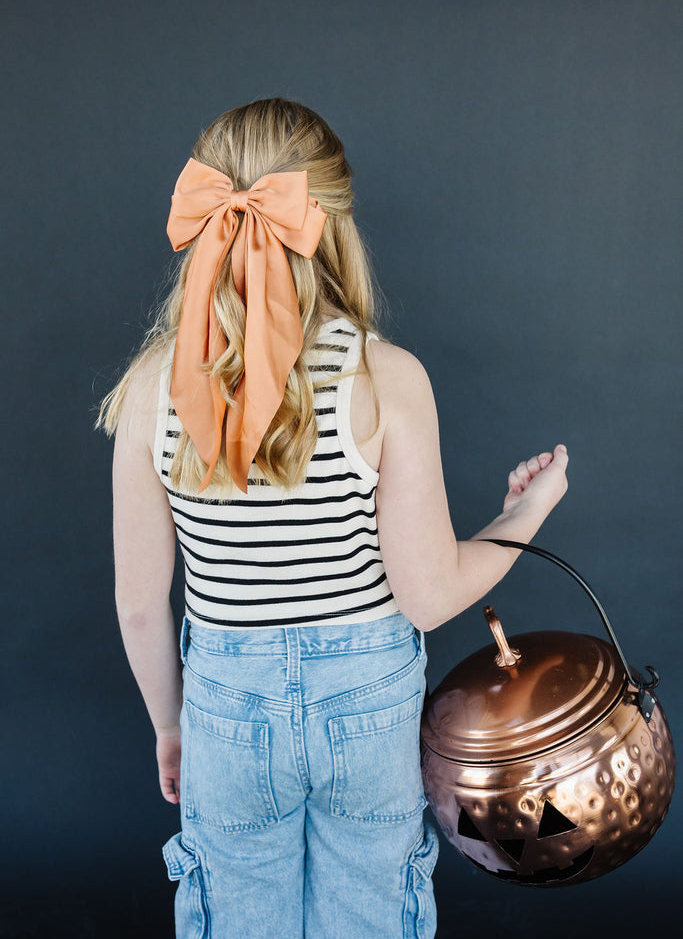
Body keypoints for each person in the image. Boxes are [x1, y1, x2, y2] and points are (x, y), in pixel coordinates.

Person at [96, 97, 568, 939]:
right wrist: (526, 511)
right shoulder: (384, 378)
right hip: (368, 701)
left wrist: (172, 726)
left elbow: (138, 604)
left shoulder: (148, 391)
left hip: (227, 705)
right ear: (332, 221)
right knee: (370, 914)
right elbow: (427, 596)